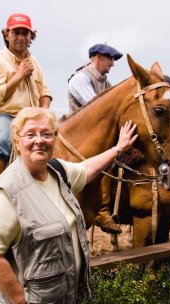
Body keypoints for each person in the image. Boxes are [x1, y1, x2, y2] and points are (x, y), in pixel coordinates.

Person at [0, 107, 138, 303]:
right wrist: (20, 301)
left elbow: (86, 169)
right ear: (17, 142)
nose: (39, 140)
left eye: (46, 133)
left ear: (55, 139)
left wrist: (118, 148)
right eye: (30, 134)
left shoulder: (56, 171)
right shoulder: (6, 192)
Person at [0, 13, 52, 199]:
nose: (21, 37)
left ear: (31, 37)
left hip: (32, 117)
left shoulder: (35, 62)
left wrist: (44, 112)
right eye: (16, 32)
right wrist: (19, 75)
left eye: (25, 33)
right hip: (4, 115)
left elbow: (45, 91)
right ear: (6, 34)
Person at [67, 43, 123, 234]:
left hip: (96, 135)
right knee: (107, 161)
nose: (112, 65)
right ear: (97, 57)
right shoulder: (80, 78)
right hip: (79, 137)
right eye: (110, 59)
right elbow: (97, 110)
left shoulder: (105, 82)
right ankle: (101, 211)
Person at [68, 43, 123, 113]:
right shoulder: (79, 78)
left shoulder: (106, 83)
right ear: (99, 56)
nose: (113, 64)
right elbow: (98, 108)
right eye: (110, 59)